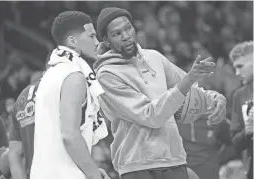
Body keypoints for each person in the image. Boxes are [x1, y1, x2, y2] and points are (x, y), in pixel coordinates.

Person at [94, 7, 226, 179]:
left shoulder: (154, 58)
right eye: (117, 34)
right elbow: (150, 115)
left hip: (174, 157)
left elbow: (190, 90)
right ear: (106, 41)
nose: (126, 36)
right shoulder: (106, 74)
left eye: (128, 28)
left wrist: (214, 99)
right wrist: (188, 80)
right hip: (136, 165)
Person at [30, 11, 109, 179]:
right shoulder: (74, 76)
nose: (97, 42)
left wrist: (89, 168)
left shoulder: (51, 72)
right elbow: (70, 135)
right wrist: (94, 175)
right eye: (91, 36)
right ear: (72, 41)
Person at [229, 41, 253, 179]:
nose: (237, 73)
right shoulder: (239, 96)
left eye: (240, 66)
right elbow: (234, 145)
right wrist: (247, 131)